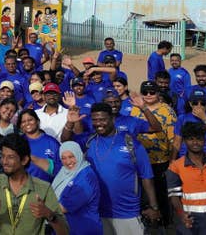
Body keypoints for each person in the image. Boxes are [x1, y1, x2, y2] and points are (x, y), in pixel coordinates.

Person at [86, 103, 162, 235]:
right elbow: (66, 141)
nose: (99, 123)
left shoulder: (131, 143)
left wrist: (154, 207)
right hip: (99, 212)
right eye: (95, 120)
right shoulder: (89, 143)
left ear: (112, 119)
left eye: (103, 119)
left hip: (128, 213)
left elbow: (146, 177)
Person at [0, 133, 69, 235]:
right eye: (3, 156)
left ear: (24, 160)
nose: (4, 162)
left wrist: (49, 214)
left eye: (10, 157)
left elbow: (64, 231)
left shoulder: (43, 188)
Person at [130, 80, 177, 228]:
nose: (149, 95)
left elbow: (174, 138)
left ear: (158, 93)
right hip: (140, 160)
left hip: (161, 160)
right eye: (145, 92)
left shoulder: (167, 111)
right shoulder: (135, 110)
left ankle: (164, 223)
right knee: (143, 195)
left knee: (161, 194)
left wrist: (172, 160)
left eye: (152, 92)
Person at [166, 122, 206, 235]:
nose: (195, 143)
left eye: (199, 139)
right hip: (190, 221)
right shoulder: (175, 166)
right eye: (191, 139)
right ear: (184, 141)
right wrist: (182, 214)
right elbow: (174, 196)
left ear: (204, 140)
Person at [51, 141, 102, 235]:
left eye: (71, 156)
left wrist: (40, 207)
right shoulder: (65, 171)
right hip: (66, 228)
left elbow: (64, 207)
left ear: (78, 154)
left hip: (83, 229)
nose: (68, 162)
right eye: (63, 158)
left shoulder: (86, 177)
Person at [172, 90, 206, 158]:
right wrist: (172, 160)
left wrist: (205, 119)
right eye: (195, 103)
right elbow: (177, 143)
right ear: (190, 104)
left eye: (202, 103)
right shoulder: (182, 118)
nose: (199, 106)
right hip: (187, 157)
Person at [17, 109, 61, 183]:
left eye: (30, 120)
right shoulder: (18, 142)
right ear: (20, 126)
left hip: (48, 188)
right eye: (23, 122)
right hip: (24, 187)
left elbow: (60, 168)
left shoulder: (51, 142)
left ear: (37, 121)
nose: (27, 123)